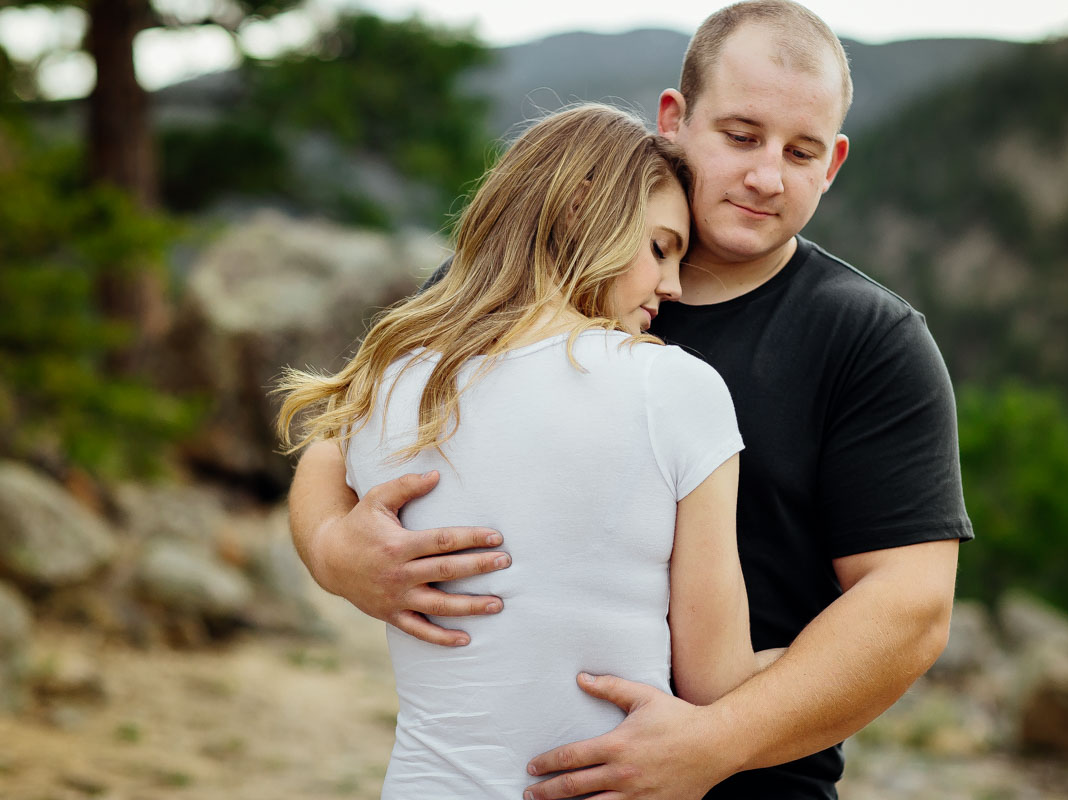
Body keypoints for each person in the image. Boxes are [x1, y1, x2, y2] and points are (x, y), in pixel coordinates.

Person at [288, 2, 973, 798]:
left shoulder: (870, 341)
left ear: (834, 164)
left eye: (801, 151)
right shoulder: (511, 285)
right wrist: (336, 554)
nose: (765, 175)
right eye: (742, 135)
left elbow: (910, 606)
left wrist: (714, 742)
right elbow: (336, 445)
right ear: (675, 119)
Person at [275, 104, 761, 798]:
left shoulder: (394, 378)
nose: (673, 287)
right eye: (660, 248)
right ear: (581, 209)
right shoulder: (675, 389)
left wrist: (326, 544)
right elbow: (715, 681)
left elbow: (324, 454)